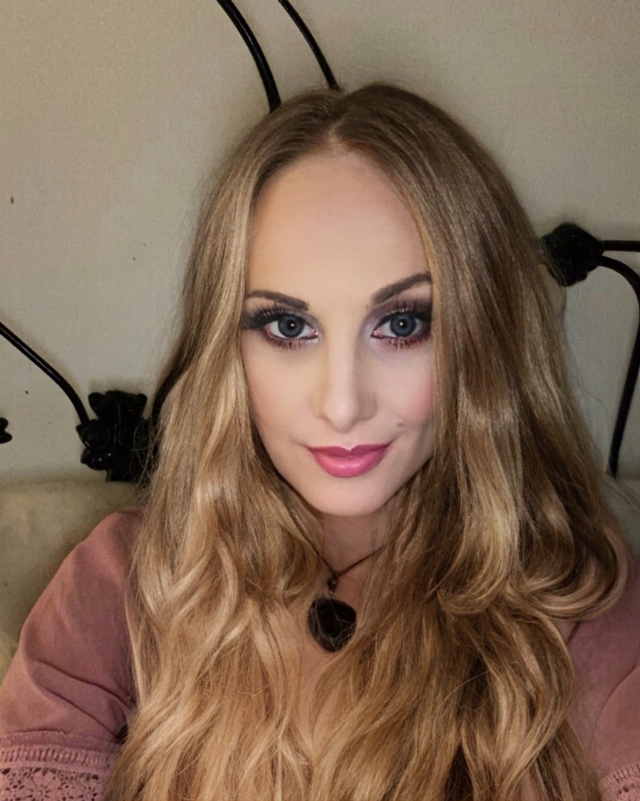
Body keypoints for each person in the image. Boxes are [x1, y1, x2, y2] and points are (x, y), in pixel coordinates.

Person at [0, 81, 638, 801]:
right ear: (228, 345)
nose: (341, 405)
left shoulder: (575, 597)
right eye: (288, 326)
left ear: (482, 337)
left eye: (402, 324)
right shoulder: (126, 583)